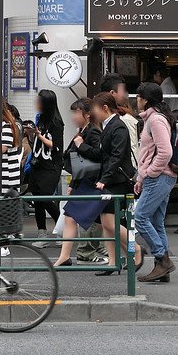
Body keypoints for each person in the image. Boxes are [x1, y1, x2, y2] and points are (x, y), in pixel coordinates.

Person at [92, 92, 143, 275]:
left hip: (118, 180)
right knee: (106, 224)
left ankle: (136, 248)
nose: (93, 114)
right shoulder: (108, 126)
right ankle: (113, 262)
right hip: (110, 180)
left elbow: (117, 156)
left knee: (110, 223)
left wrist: (103, 180)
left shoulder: (118, 127)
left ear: (105, 108)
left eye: (95, 110)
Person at [133, 82, 177, 283]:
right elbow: (149, 153)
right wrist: (142, 177)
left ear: (145, 100)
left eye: (138, 97)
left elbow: (165, 152)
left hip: (159, 177)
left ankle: (162, 258)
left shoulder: (155, 120)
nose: (136, 100)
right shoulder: (155, 118)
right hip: (160, 177)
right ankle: (162, 269)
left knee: (140, 217)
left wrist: (149, 173)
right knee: (157, 222)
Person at [54, 98, 104, 266]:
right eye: (73, 112)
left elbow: (98, 155)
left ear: (88, 115)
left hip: (90, 183)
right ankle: (65, 256)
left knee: (106, 222)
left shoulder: (93, 132)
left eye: (76, 112)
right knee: (71, 218)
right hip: (83, 183)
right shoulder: (82, 130)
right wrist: (72, 184)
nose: (74, 116)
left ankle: (133, 252)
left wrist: (81, 145)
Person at [28, 89, 65, 248]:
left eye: (39, 101)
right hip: (38, 164)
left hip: (51, 167)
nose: (37, 104)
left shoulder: (56, 122)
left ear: (47, 103)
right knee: (37, 200)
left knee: (45, 198)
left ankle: (61, 230)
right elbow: (37, 143)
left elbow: (56, 146)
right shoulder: (40, 119)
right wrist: (31, 134)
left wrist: (38, 135)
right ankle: (42, 232)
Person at [99, 73, 140, 169]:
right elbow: (132, 149)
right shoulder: (124, 118)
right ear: (112, 93)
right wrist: (134, 170)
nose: (126, 94)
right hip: (121, 172)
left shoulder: (98, 115)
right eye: (123, 90)